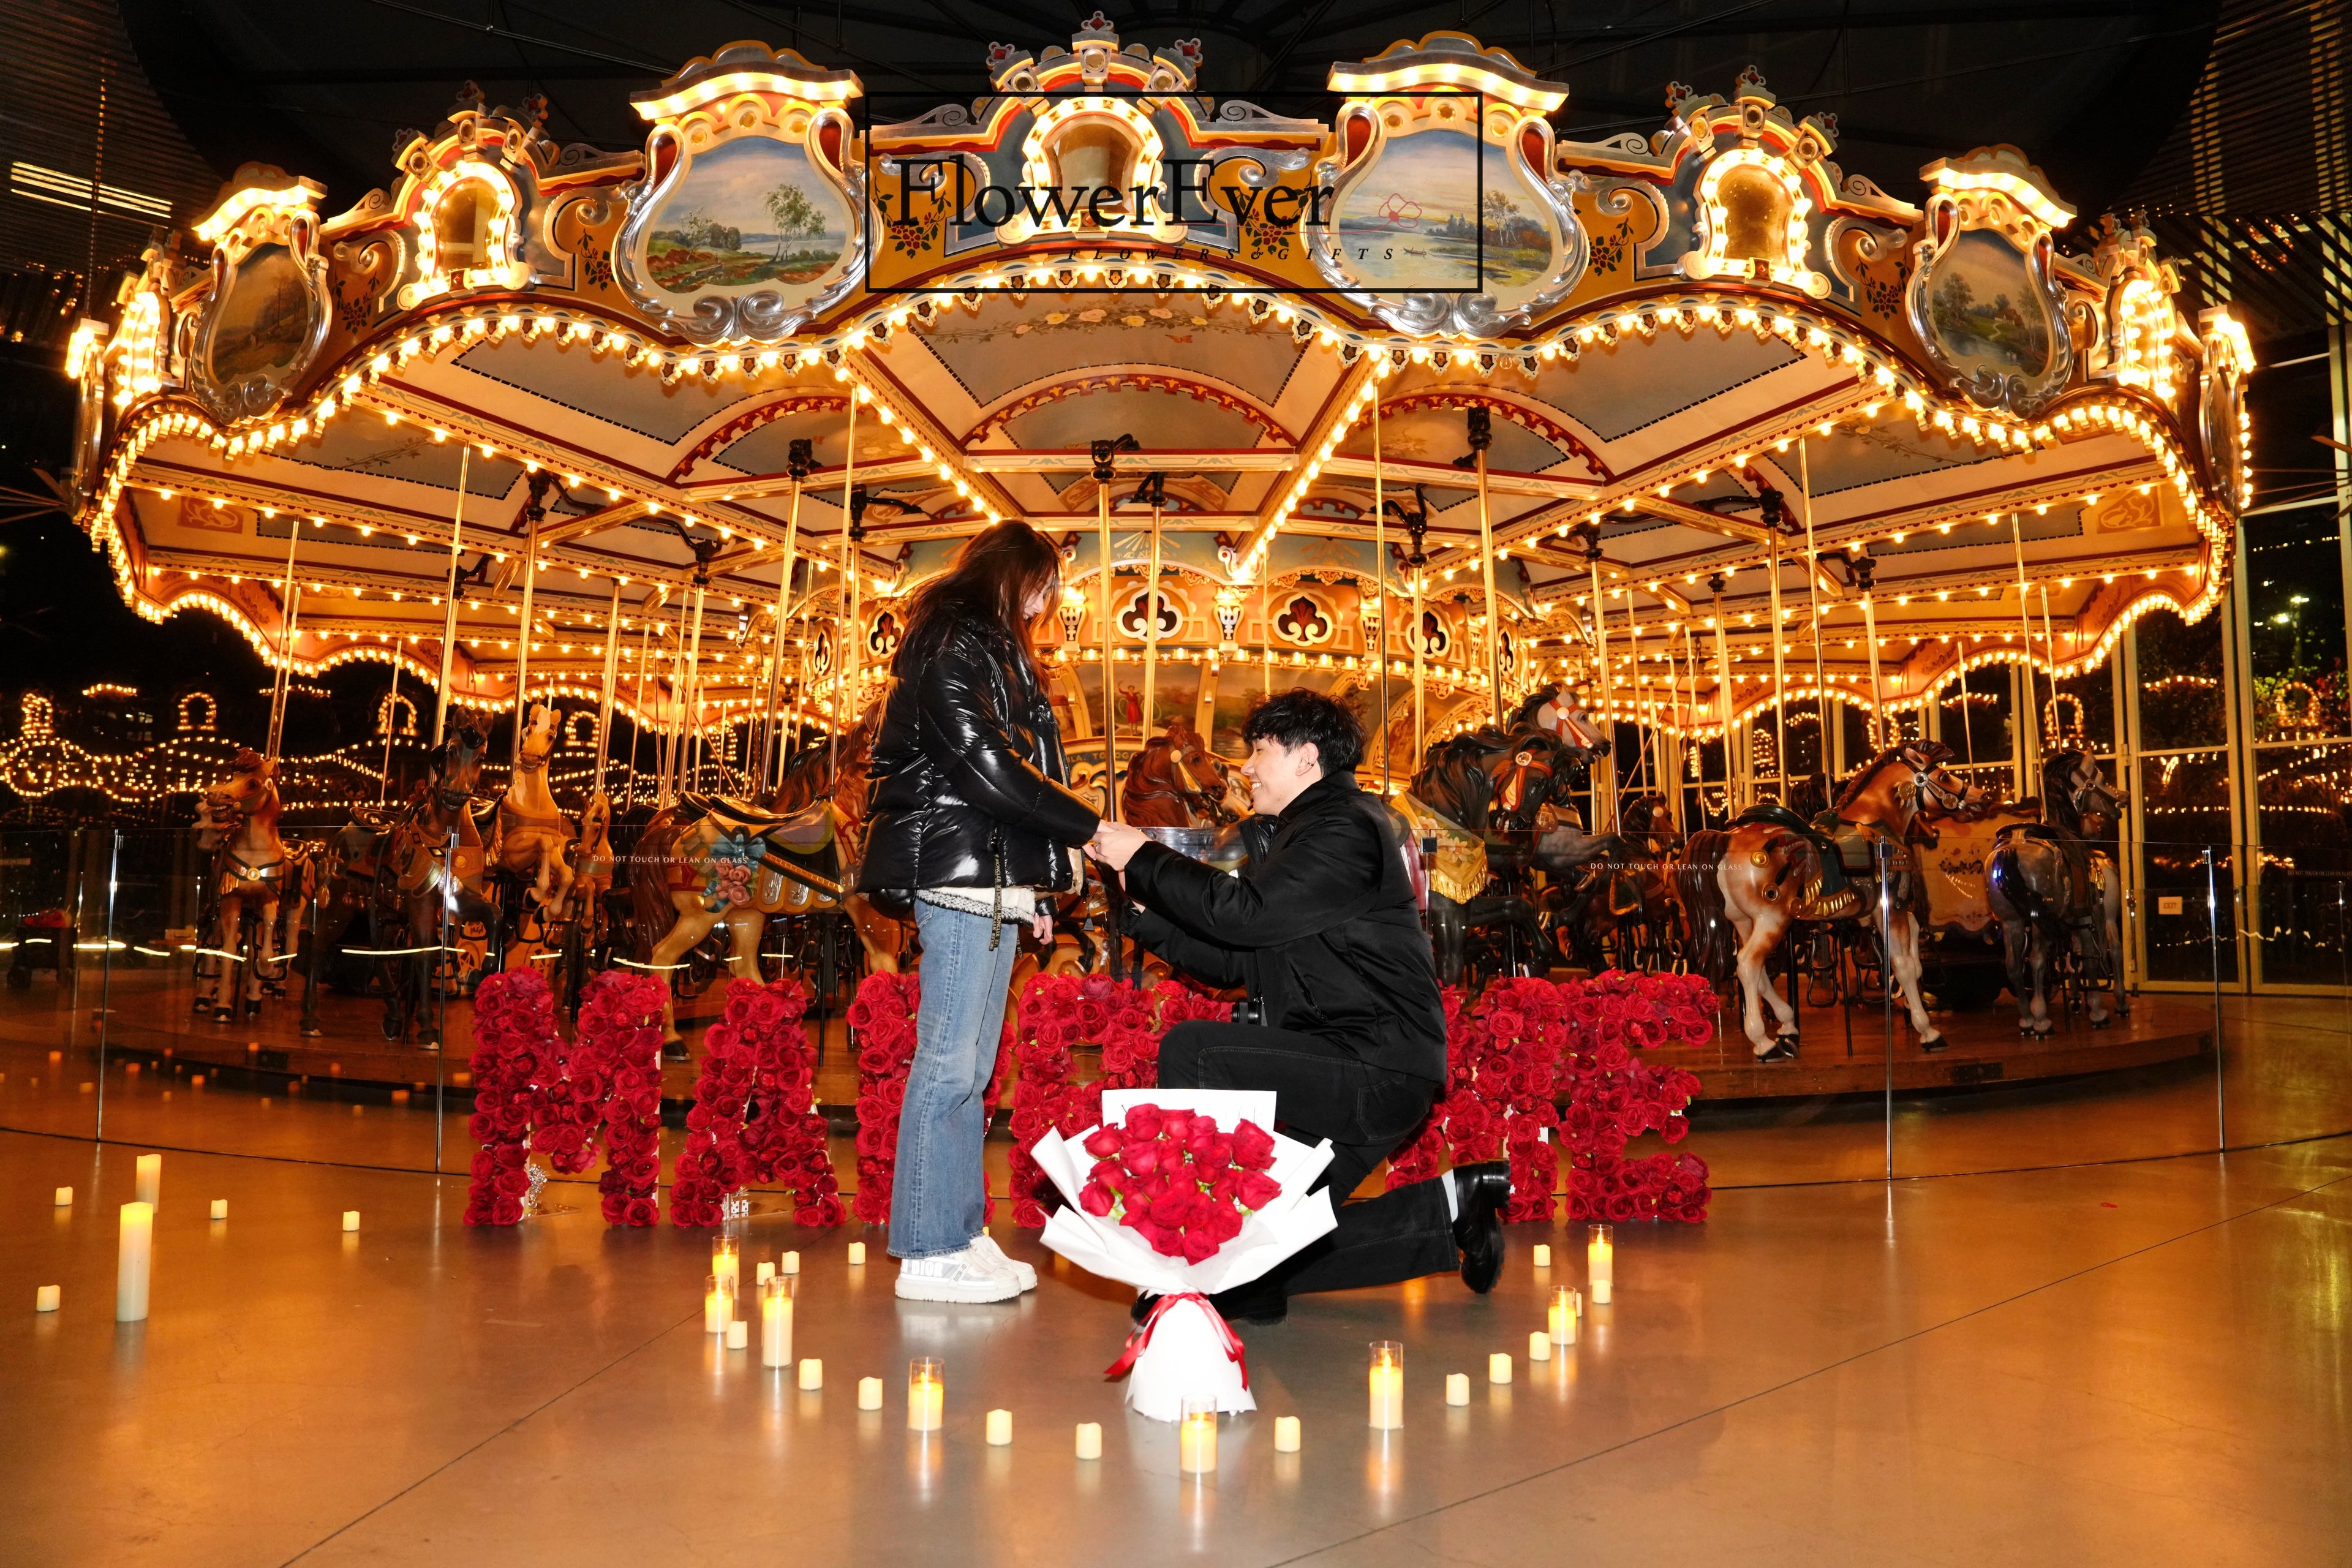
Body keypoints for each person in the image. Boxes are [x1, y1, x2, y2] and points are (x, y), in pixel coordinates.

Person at [1085, 688, 1510, 1324]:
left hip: (1375, 1063)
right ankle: (1453, 1207)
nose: (1248, 768)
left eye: (1260, 750)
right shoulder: (1307, 835)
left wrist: (1144, 857)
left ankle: (1190, 1239)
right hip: (1344, 1062)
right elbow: (1239, 961)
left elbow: (1243, 916)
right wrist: (1141, 913)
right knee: (1257, 1268)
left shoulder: (1343, 828)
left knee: (1194, 1050)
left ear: (1308, 759)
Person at [858, 521, 1100, 1303]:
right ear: (1014, 576)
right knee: (948, 1063)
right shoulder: (952, 643)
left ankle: (960, 1226)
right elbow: (984, 767)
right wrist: (1085, 825)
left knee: (976, 1070)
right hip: (957, 874)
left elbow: (1005, 778)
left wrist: (1033, 889)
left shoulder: (993, 651)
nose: (1044, 603)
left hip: (991, 877)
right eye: (1040, 587)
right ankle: (928, 1248)